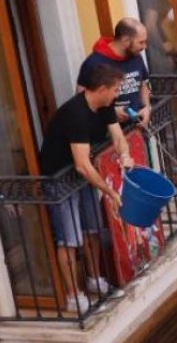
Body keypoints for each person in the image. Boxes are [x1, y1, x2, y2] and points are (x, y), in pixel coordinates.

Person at [39, 62, 135, 309]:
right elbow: (82, 164)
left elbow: (118, 136)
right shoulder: (76, 115)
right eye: (115, 89)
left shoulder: (104, 105)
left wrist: (124, 153)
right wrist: (110, 191)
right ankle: (74, 296)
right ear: (102, 88)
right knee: (68, 240)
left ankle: (95, 280)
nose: (118, 94)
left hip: (82, 176)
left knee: (92, 229)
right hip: (59, 179)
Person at [77, 18, 151, 127]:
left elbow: (143, 84)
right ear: (126, 40)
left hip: (136, 128)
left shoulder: (136, 56)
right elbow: (81, 101)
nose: (145, 47)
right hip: (106, 133)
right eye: (141, 42)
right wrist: (111, 113)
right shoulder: (93, 63)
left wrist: (146, 108)